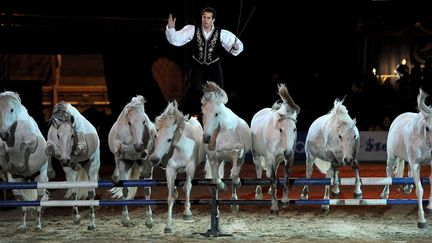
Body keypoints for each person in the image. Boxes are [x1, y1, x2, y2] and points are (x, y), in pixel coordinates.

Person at [165, 7, 244, 117]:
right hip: (197, 66)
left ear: (213, 20)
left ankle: (219, 117)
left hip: (214, 66)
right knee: (194, 91)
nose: (206, 20)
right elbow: (176, 40)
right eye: (204, 17)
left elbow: (236, 46)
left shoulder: (221, 33)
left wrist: (236, 47)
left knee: (218, 92)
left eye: (208, 18)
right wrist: (171, 29)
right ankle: (191, 117)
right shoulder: (193, 30)